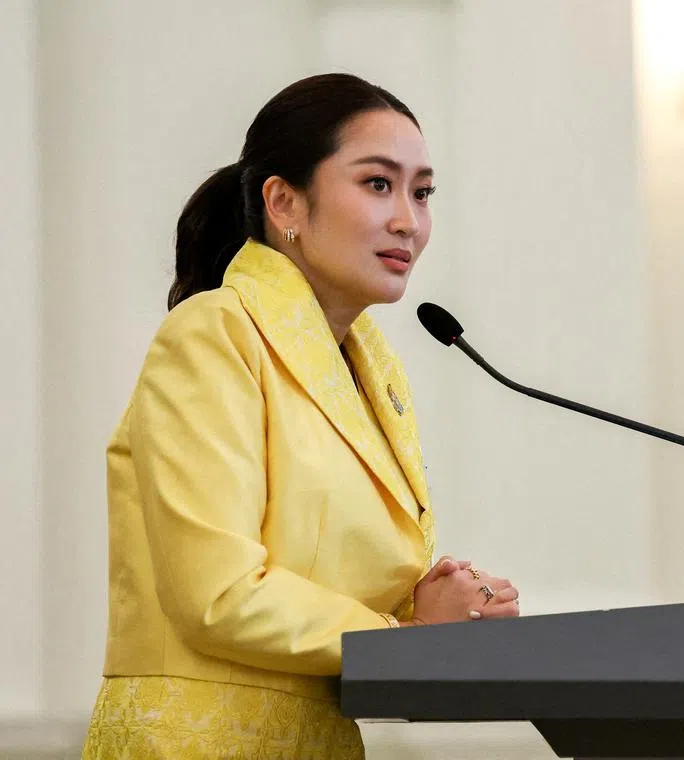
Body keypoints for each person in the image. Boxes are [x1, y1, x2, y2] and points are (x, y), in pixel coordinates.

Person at [81, 73, 520, 759]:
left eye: (423, 192)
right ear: (285, 200)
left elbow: (324, 583)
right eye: (378, 184)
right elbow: (218, 593)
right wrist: (403, 639)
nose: (409, 218)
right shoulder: (212, 333)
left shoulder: (370, 368)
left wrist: (442, 613)